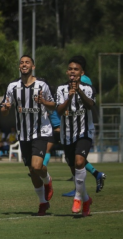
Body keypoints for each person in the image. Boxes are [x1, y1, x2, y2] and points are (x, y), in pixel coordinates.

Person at [1, 55, 54, 216]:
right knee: (32, 169)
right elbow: (4, 110)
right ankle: (43, 203)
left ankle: (48, 181)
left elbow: (53, 105)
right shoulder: (12, 87)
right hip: (23, 134)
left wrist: (44, 102)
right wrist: (7, 107)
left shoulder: (42, 85)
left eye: (27, 62)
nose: (24, 65)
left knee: (37, 166)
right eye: (22, 63)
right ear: (19, 67)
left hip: (40, 131)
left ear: (33, 66)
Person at [56, 56, 96, 216]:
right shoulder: (60, 89)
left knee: (80, 162)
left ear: (82, 73)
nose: (73, 71)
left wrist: (78, 91)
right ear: (67, 72)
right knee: (74, 169)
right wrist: (70, 96)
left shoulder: (88, 88)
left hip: (84, 132)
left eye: (76, 69)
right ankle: (86, 199)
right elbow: (59, 111)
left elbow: (90, 105)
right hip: (67, 135)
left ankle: (78, 198)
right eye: (70, 69)